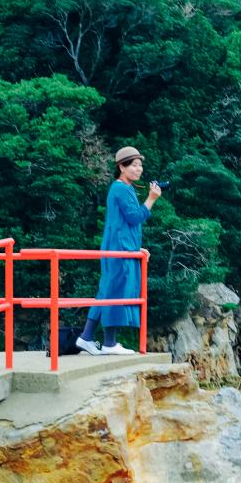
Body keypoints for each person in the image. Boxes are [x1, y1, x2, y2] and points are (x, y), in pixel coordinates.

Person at [76, 145, 163, 355]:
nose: (139, 169)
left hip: (118, 246)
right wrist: (151, 199)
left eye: (140, 165)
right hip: (118, 250)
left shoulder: (122, 188)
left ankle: (86, 337)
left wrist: (136, 247)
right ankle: (109, 343)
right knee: (115, 291)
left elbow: (122, 225)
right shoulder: (121, 189)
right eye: (134, 165)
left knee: (106, 291)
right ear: (122, 167)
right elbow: (134, 218)